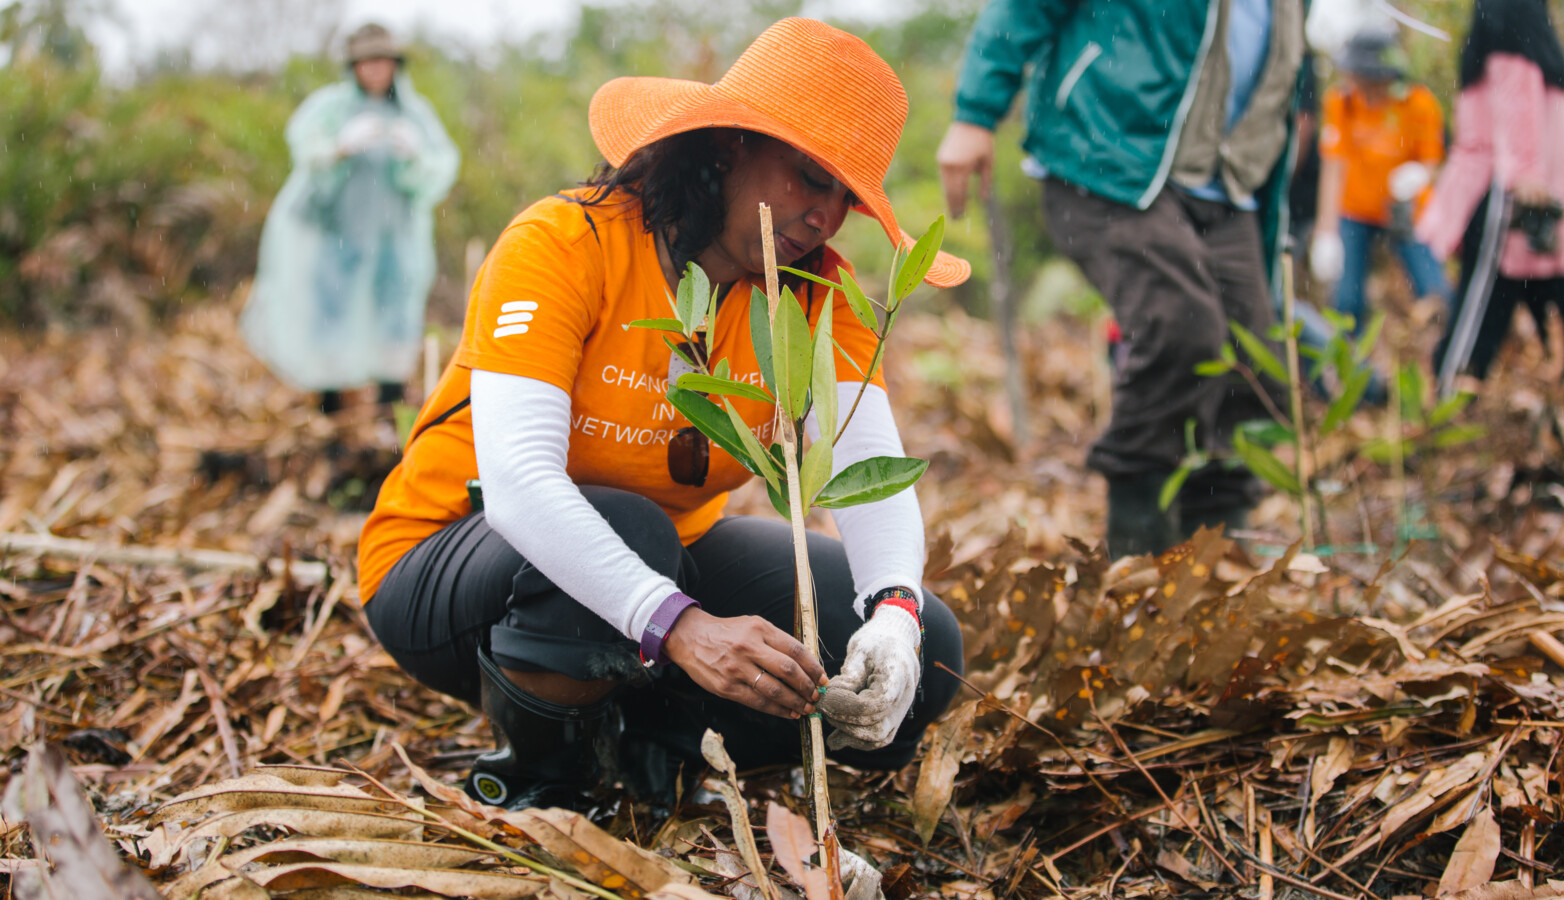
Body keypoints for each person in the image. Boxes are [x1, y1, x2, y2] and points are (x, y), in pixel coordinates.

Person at [356, 18, 969, 811]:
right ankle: (541, 777)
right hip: (451, 560)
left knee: (937, 648)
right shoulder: (565, 243)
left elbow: (868, 474)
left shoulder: (815, 294)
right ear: (728, 145)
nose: (825, 215)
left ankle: (653, 747)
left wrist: (894, 615)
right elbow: (517, 485)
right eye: (811, 177)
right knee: (629, 531)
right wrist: (684, 629)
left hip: (664, 562)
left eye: (846, 197)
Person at [938, 0, 1304, 558]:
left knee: (1252, 359)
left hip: (1229, 181)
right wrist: (974, 113)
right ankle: (1138, 551)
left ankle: (1220, 549)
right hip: (1107, 153)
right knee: (1180, 331)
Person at [241, 23, 459, 415]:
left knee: (395, 306)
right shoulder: (330, 108)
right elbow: (305, 149)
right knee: (332, 307)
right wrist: (338, 148)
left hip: (396, 234)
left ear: (396, 65)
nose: (376, 69)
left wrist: (415, 156)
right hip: (339, 231)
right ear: (354, 66)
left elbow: (442, 164)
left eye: (384, 61)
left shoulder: (414, 113)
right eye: (367, 61)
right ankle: (331, 403)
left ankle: (388, 403)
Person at [1415, 0, 1564, 395]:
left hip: (1543, 209)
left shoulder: (1533, 20)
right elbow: (1515, 94)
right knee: (1481, 313)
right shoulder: (1510, 11)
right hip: (1515, 199)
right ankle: (1447, 404)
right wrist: (1524, 174)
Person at [1310, 29, 1449, 336]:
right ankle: (1349, 368)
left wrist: (1420, 175)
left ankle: (1441, 360)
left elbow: (1434, 160)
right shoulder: (1341, 103)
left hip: (1403, 211)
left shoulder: (1419, 104)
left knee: (1434, 290)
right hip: (1355, 211)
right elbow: (1333, 167)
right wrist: (1325, 230)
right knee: (1347, 299)